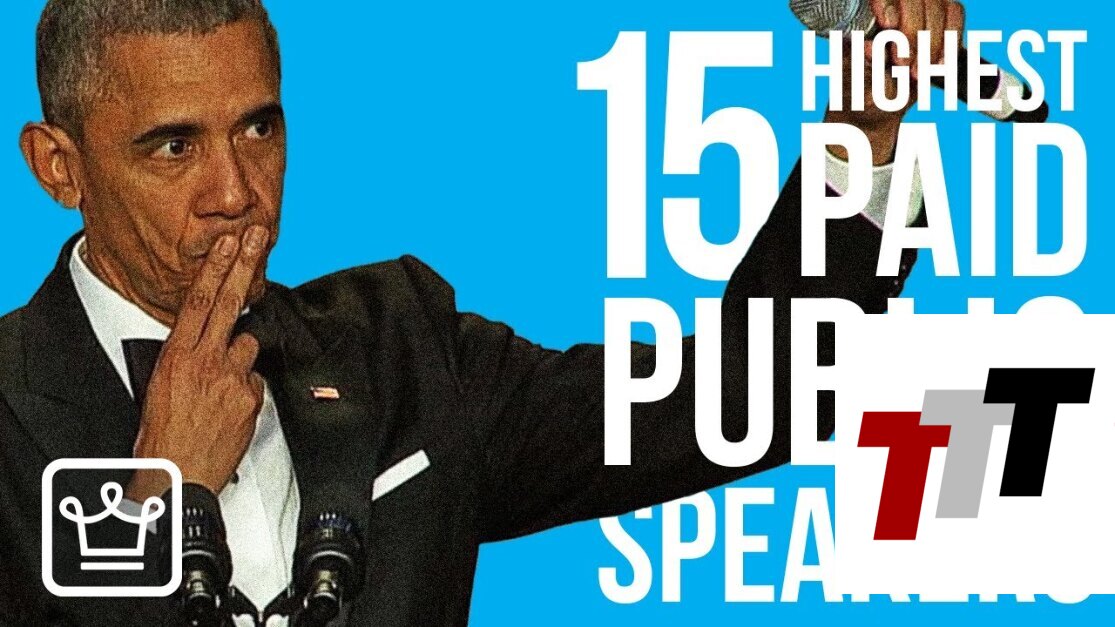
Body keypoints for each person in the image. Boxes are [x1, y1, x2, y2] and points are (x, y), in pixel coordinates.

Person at [0, 0, 961, 624]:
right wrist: (160, 501)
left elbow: (749, 396)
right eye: (173, 148)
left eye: (259, 128)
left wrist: (865, 133)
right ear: (59, 167)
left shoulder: (401, 345)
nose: (236, 192)